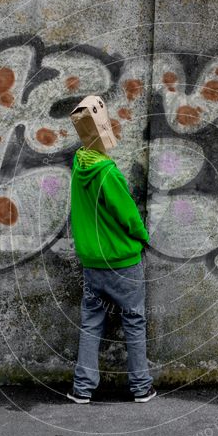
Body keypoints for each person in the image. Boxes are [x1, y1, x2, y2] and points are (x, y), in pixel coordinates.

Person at [65, 95, 156, 404]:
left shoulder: (79, 166)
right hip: (122, 261)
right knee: (134, 320)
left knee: (91, 323)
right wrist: (143, 237)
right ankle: (141, 387)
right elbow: (128, 215)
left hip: (92, 264)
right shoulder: (107, 172)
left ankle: (82, 389)